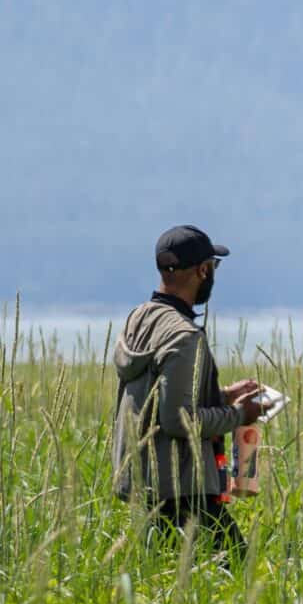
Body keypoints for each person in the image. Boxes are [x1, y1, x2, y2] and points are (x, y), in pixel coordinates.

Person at [110, 223, 267, 557]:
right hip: (184, 490)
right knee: (239, 572)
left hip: (148, 483)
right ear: (203, 270)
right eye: (214, 267)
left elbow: (159, 397)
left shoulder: (139, 319)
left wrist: (222, 396)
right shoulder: (184, 336)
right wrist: (240, 413)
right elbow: (178, 420)